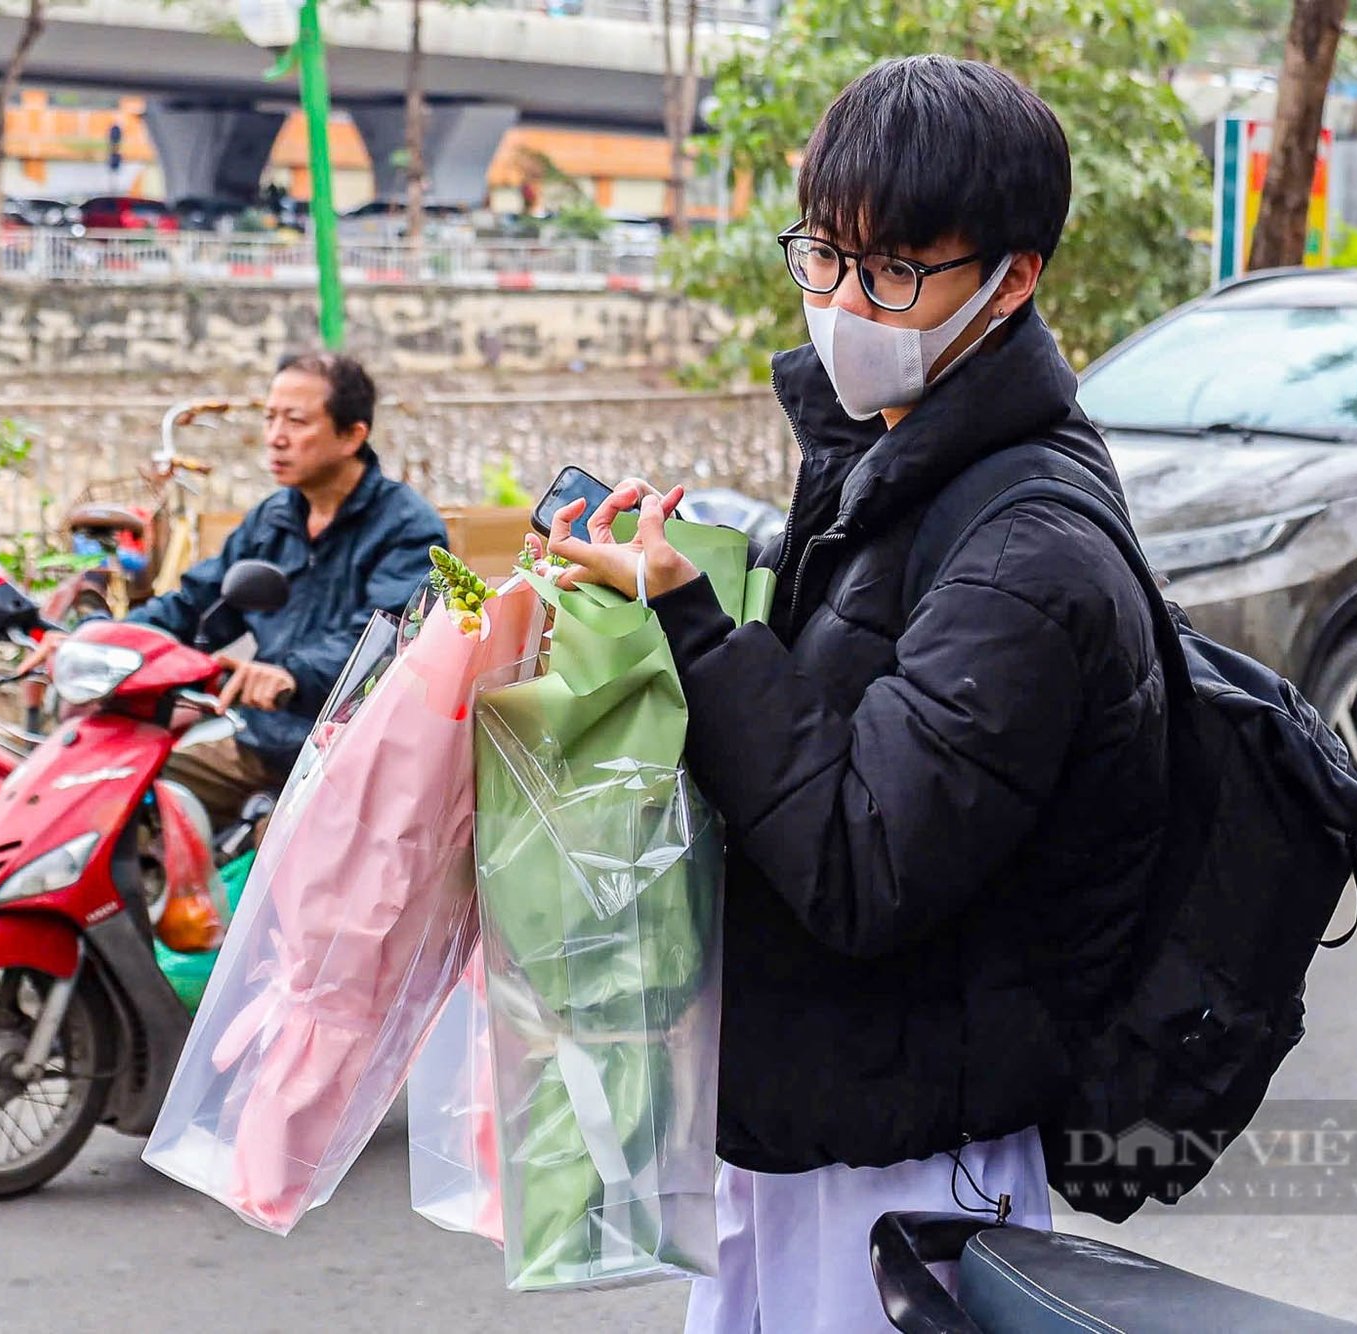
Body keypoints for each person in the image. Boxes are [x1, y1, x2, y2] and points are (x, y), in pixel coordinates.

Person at [542, 55, 1172, 1333]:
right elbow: (838, 681)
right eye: (823, 256)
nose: (844, 302)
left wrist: (693, 624)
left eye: (892, 270)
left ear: (1012, 276)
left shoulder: (1031, 549)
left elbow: (864, 860)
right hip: (809, 1115)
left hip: (908, 1160)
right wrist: (679, 583)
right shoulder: (885, 464)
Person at [36, 352, 446, 831]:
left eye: (296, 421)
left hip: (349, 754)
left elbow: (387, 639)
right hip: (261, 741)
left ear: (353, 435)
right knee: (106, 780)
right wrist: (99, 640)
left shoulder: (409, 528)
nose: (275, 436)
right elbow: (196, 604)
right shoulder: (271, 520)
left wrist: (287, 676)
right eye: (270, 418)